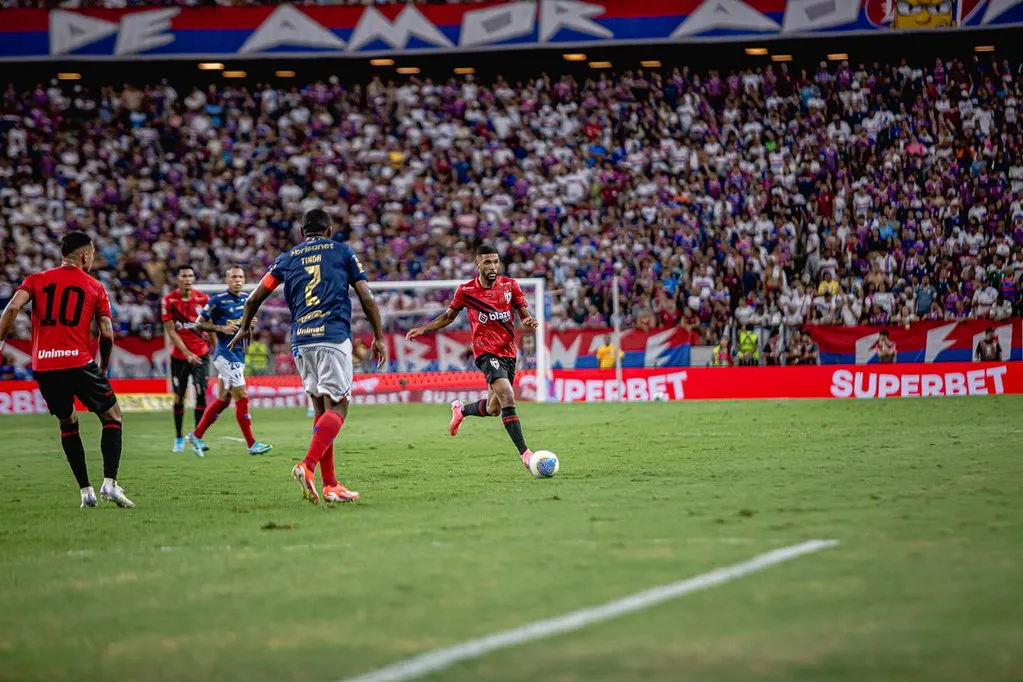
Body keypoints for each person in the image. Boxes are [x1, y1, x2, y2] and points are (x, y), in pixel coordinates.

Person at [229, 208, 387, 505]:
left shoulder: (287, 258)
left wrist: (244, 326)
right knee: (339, 409)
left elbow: (253, 298)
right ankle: (307, 466)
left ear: (302, 233)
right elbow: (366, 296)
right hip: (333, 336)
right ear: (329, 230)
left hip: (301, 340)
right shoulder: (341, 252)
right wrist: (378, 337)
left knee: (320, 411)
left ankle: (331, 485)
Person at [0, 232, 133, 508]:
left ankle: (86, 492)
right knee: (113, 415)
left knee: (67, 422)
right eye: (93, 255)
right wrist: (104, 367)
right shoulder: (94, 286)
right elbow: (107, 334)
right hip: (78, 362)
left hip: (44, 365)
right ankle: (109, 483)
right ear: (85, 256)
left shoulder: (35, 280)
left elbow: (12, 307)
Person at [406, 243, 540, 474]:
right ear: (477, 263)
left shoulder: (510, 286)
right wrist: (424, 329)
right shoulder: (466, 291)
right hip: (485, 351)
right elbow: (449, 317)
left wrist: (528, 320)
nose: (493, 266)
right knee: (508, 396)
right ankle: (525, 454)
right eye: (487, 262)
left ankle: (461, 411)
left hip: (508, 352)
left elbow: (523, 314)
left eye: (496, 261)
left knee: (494, 408)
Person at [186, 267, 272, 457]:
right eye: (233, 277)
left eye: (241, 277)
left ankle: (196, 435)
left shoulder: (247, 299)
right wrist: (220, 328)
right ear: (227, 279)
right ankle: (251, 443)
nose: (238, 280)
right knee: (242, 395)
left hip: (239, 354)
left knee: (224, 400)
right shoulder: (217, 300)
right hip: (225, 355)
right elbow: (198, 323)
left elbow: (246, 330)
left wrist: (249, 326)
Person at [161, 265, 210, 453]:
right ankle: (179, 437)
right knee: (179, 397)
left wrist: (215, 349)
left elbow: (208, 325)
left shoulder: (203, 299)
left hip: (201, 355)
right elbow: (171, 331)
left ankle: (197, 437)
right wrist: (187, 353)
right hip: (180, 357)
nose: (188, 279)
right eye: (184, 276)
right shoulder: (169, 300)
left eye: (191, 275)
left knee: (201, 393)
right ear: (178, 278)